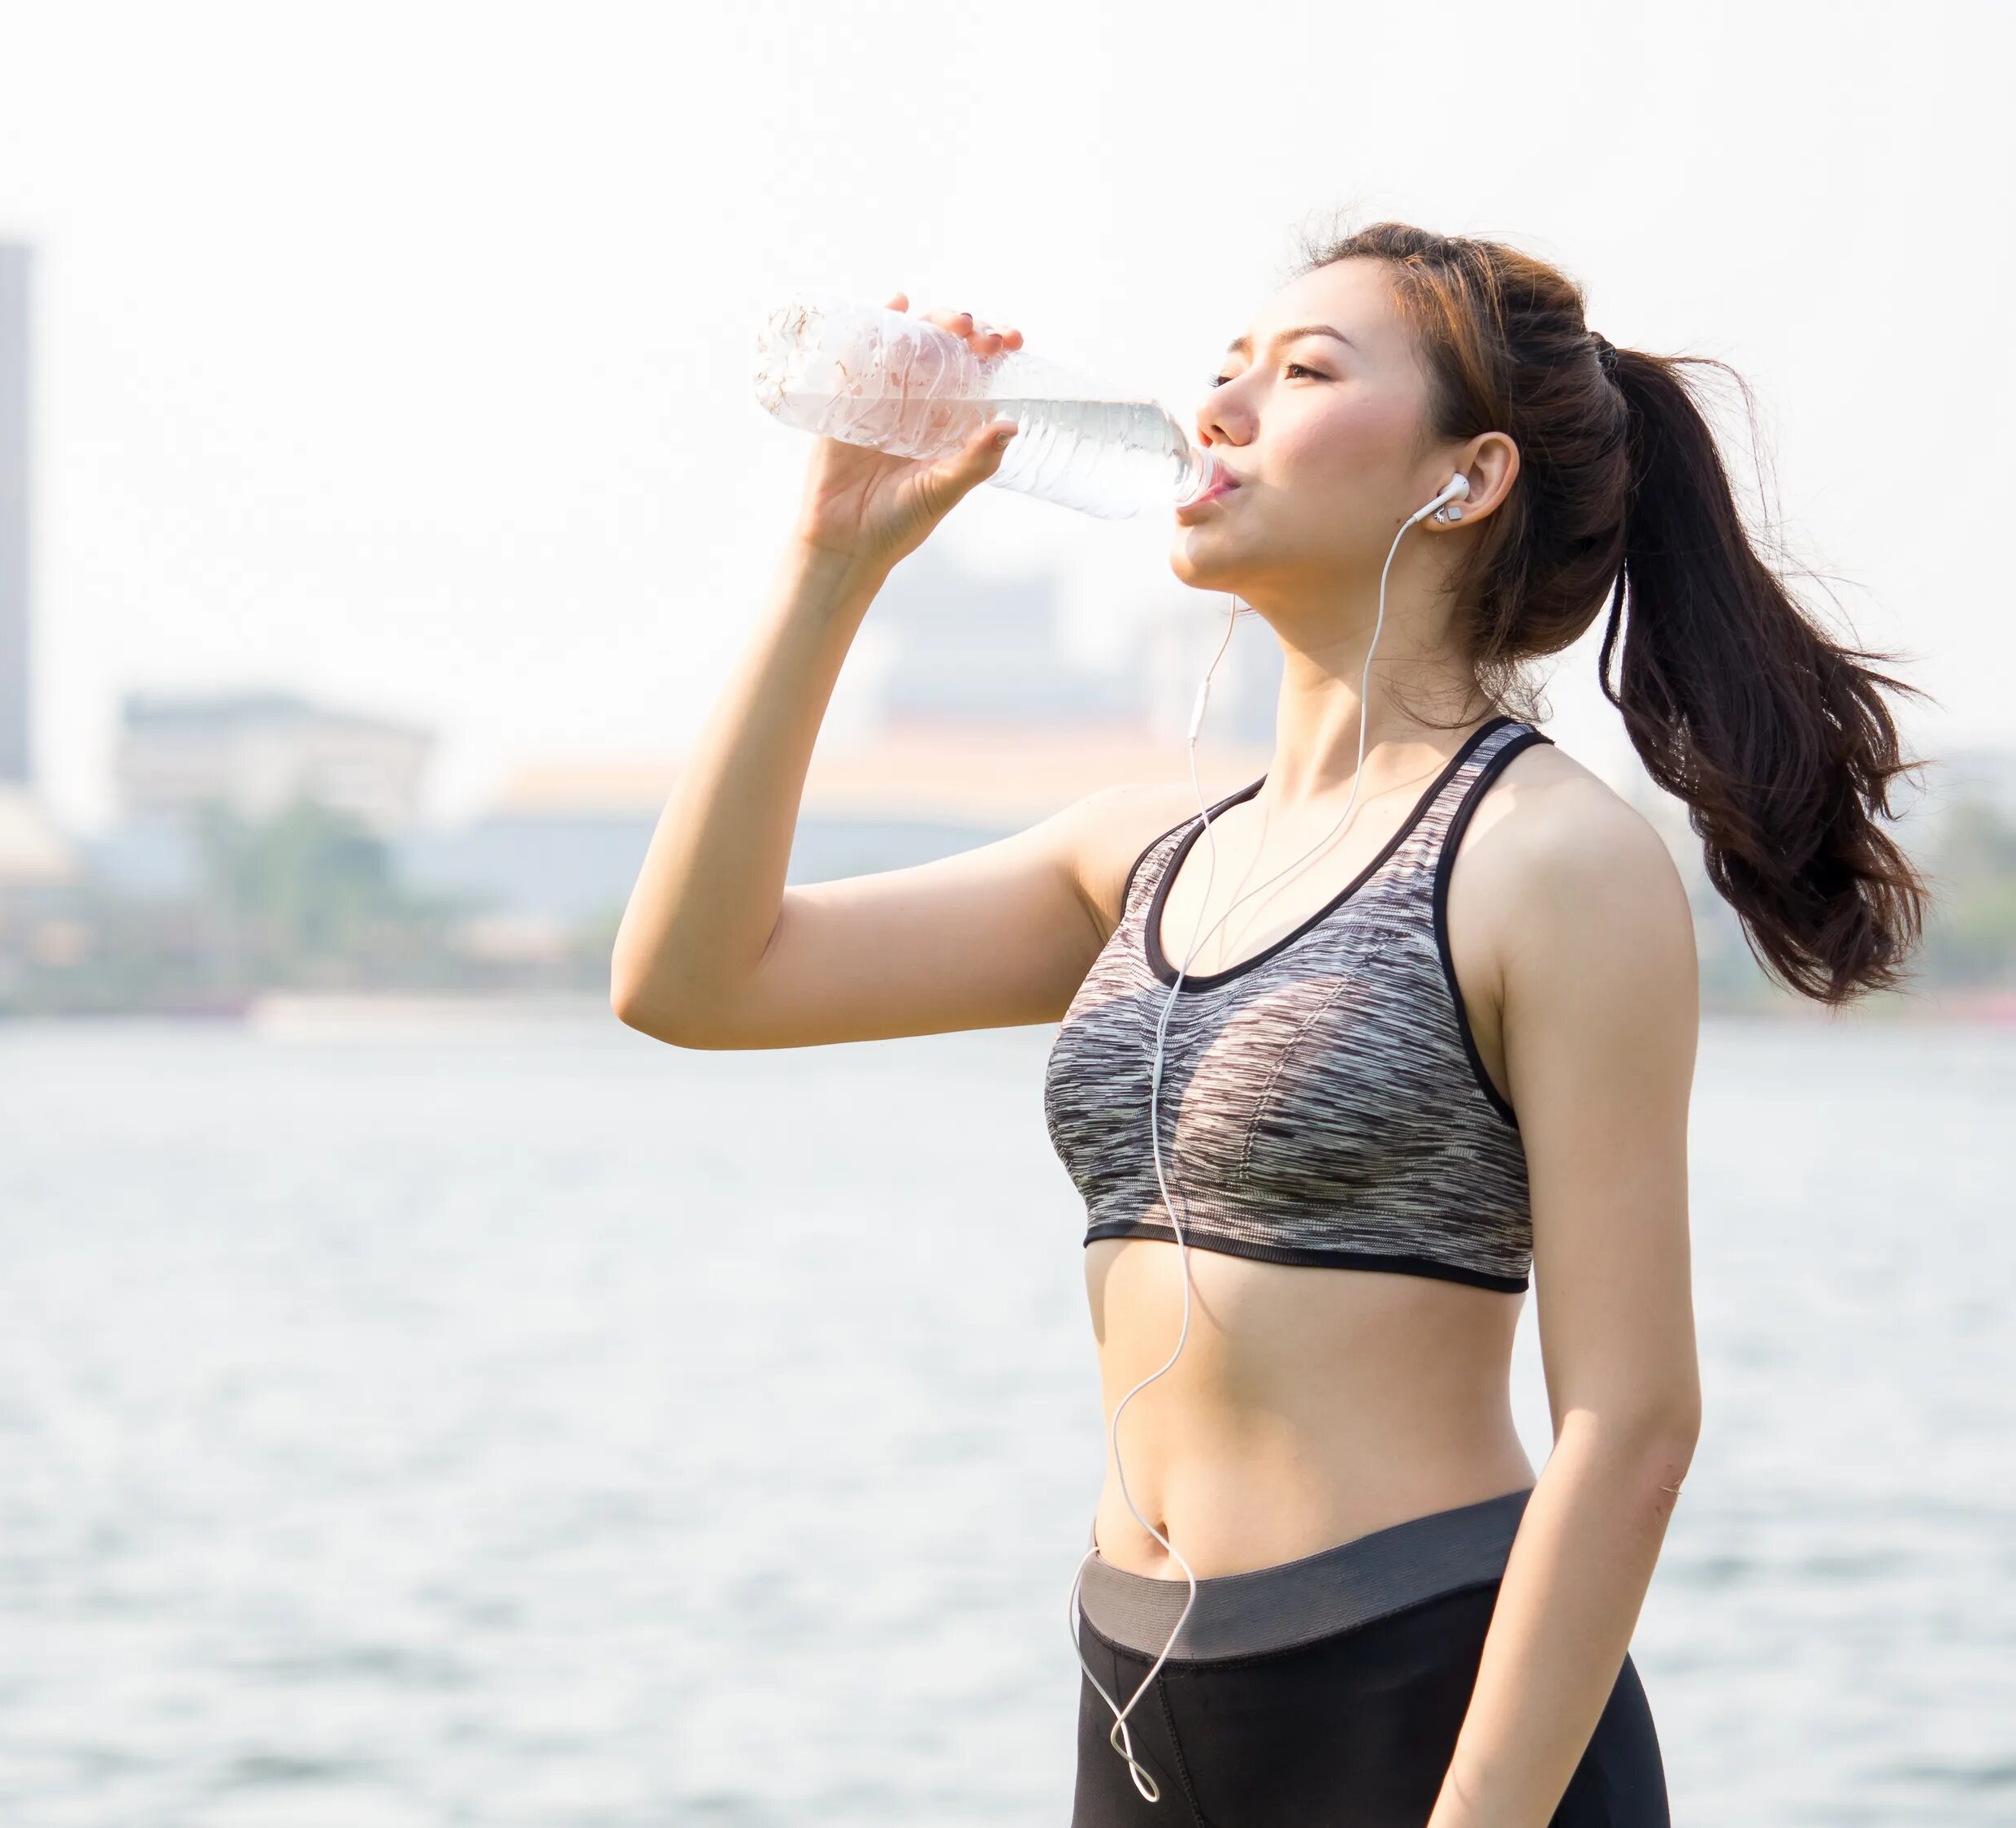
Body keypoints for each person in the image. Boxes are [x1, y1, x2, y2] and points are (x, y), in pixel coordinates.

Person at [608, 224, 1923, 1826]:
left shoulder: (1549, 861)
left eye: (1302, 372)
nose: (1221, 405)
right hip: (1142, 1696)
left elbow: (1632, 1420)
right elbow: (692, 983)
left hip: (1431, 1704)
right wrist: (832, 565)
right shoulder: (1139, 856)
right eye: (1227, 365)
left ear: (1469, 476)